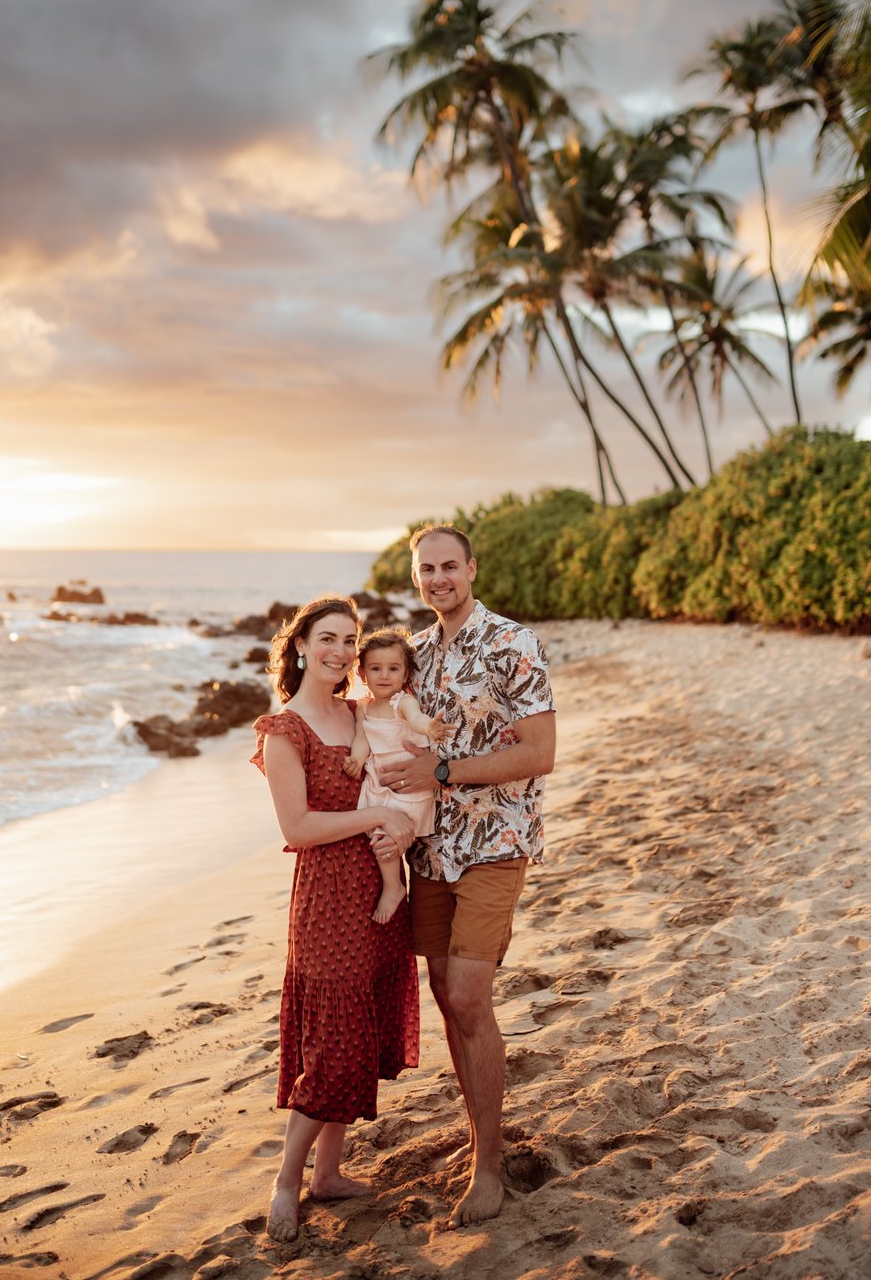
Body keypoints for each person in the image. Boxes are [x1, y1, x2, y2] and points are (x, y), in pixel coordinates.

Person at [372, 526, 556, 1229]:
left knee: (470, 993)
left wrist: (445, 768)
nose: (439, 577)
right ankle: (481, 1131)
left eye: (450, 565)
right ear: (417, 578)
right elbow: (379, 722)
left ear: (472, 568)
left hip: (495, 840)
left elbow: (540, 752)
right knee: (448, 996)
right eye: (427, 568)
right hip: (431, 849)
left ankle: (489, 1167)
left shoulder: (514, 643)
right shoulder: (412, 654)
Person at [251, 595, 420, 1243]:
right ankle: (287, 1183)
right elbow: (297, 826)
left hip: (381, 891)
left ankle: (328, 1172)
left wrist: (403, 823)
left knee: (362, 1035)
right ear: (300, 646)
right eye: (328, 638)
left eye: (350, 640)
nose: (342, 651)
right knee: (332, 1045)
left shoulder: (362, 712)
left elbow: (404, 765)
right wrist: (377, 817)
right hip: (326, 900)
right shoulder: (281, 730)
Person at [342, 626, 455, 925]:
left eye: (393, 669)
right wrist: (356, 759)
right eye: (376, 668)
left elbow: (416, 719)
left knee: (385, 837)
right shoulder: (362, 708)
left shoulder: (401, 702)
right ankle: (394, 882)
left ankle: (393, 888)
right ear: (362, 674)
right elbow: (362, 739)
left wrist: (430, 727)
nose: (384, 676)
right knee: (379, 831)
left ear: (405, 675)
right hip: (379, 782)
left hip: (408, 785)